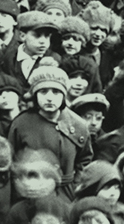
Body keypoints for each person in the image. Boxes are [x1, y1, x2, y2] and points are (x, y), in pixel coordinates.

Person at [9, 64, 92, 197]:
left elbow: (85, 159)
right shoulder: (21, 124)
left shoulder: (78, 124)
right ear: (35, 95)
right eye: (43, 92)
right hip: (32, 194)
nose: (49, 97)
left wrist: (76, 184)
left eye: (56, 92)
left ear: (64, 95)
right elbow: (12, 161)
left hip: (67, 194)